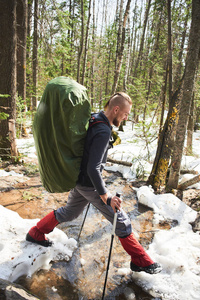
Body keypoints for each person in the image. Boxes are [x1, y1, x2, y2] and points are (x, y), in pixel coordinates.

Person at [26, 92, 162, 274]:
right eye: (126, 113)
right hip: (88, 183)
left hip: (79, 179)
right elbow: (93, 168)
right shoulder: (103, 130)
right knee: (121, 220)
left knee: (70, 212)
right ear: (116, 109)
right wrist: (106, 196)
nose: (126, 117)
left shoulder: (95, 118)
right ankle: (141, 261)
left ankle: (36, 232)